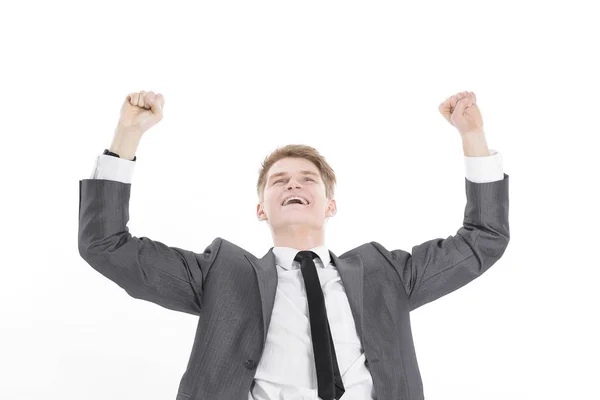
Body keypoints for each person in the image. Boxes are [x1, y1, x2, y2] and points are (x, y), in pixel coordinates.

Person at [78, 90, 509, 400]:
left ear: (330, 205)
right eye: (279, 182)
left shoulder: (385, 272)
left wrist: (472, 136)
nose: (293, 185)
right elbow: (106, 244)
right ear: (262, 209)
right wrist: (126, 137)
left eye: (308, 180)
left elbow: (483, 240)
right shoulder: (221, 273)